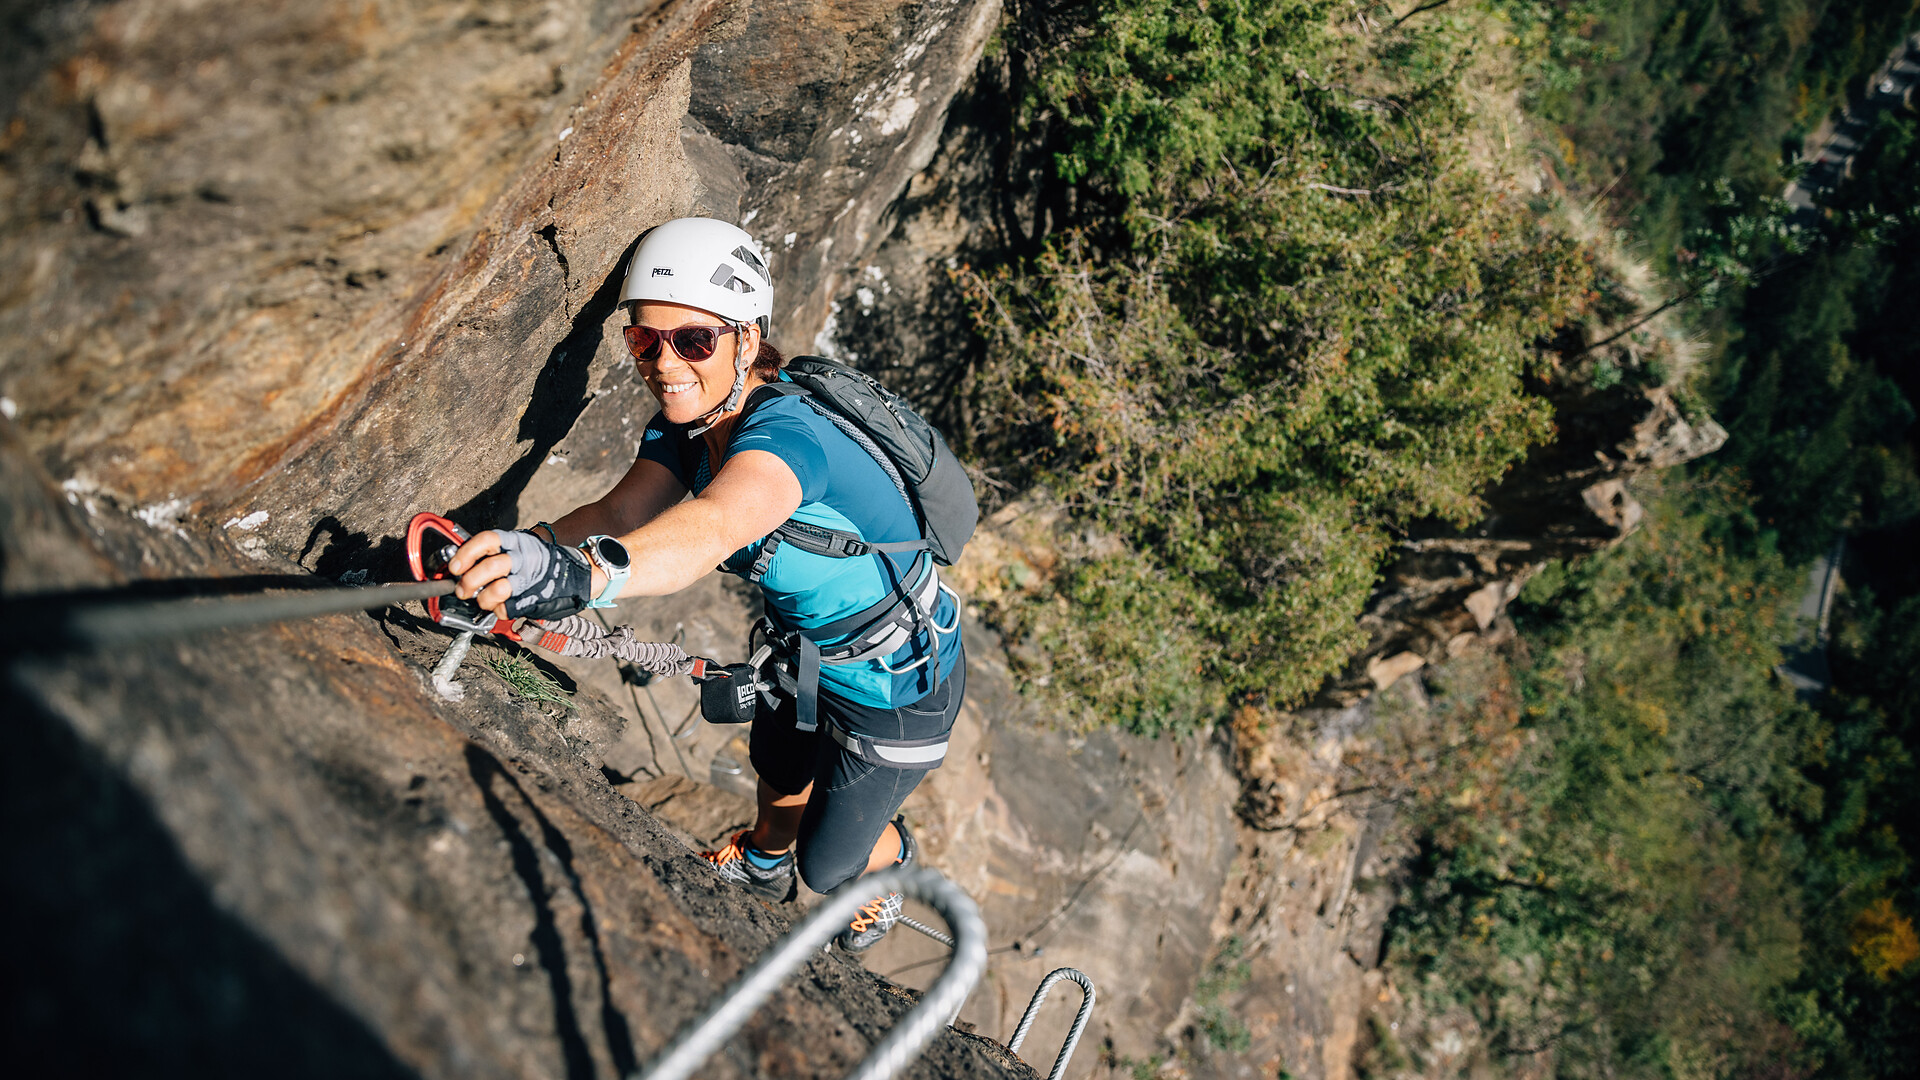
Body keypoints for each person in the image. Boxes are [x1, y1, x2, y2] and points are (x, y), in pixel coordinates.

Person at [445, 216, 964, 952]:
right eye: (643, 339)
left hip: (899, 687)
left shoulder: (789, 437)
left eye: (693, 341)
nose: (663, 363)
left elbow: (715, 526)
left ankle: (891, 855)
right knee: (779, 765)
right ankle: (759, 862)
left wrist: (582, 575)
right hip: (806, 655)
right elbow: (622, 510)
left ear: (746, 339)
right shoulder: (687, 427)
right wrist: (520, 556)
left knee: (829, 864)